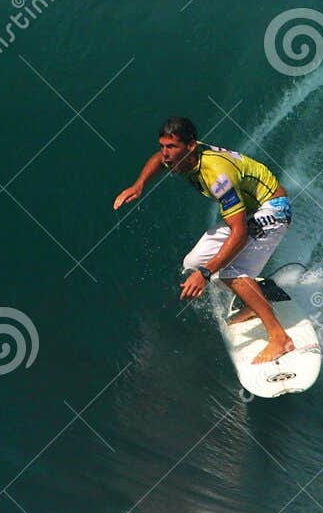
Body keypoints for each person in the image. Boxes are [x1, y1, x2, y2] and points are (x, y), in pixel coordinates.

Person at [113, 117, 295, 363]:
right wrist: (139, 185)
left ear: (190, 146)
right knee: (194, 262)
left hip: (274, 209)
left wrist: (206, 274)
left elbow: (239, 233)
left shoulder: (218, 177)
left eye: (171, 147)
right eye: (163, 146)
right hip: (251, 209)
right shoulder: (181, 157)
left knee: (229, 272)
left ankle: (280, 338)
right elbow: (158, 159)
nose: (165, 154)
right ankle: (257, 297)